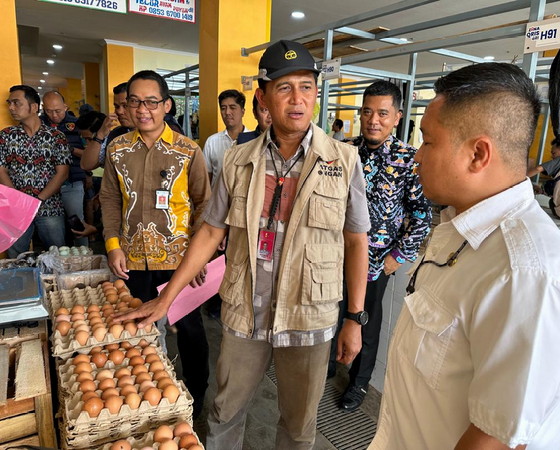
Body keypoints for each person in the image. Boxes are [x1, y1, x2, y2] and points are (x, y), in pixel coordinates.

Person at [114, 40, 370, 449]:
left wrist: (355, 318)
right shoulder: (238, 159)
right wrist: (167, 299)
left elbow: (357, 241)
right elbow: (211, 230)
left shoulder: (342, 161)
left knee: (299, 427)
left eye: (306, 87)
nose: (298, 99)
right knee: (223, 413)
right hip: (244, 312)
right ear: (263, 97)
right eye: (285, 89)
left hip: (309, 315)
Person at [369, 63, 560, 449]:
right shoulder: (460, 228)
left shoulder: (527, 275)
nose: (417, 156)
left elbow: (494, 440)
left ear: (477, 154)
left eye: (427, 141)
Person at [99, 70, 212, 417]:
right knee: (136, 328)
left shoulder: (188, 150)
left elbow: (204, 204)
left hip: (180, 260)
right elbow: (110, 199)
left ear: (166, 105)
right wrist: (113, 244)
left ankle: (196, 398)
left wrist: (199, 258)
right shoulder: (118, 149)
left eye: (151, 101)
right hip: (131, 258)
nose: (142, 109)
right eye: (135, 101)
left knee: (191, 332)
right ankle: (145, 400)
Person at [329, 80, 431, 412]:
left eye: (383, 113)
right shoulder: (343, 151)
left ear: (397, 117)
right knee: (331, 312)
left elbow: (422, 216)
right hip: (335, 257)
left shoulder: (409, 160)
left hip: (376, 262)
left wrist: (395, 259)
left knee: (366, 323)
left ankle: (358, 384)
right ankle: (329, 364)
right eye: (368, 112)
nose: (374, 120)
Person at [0, 85, 71, 257]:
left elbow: (62, 173)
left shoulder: (56, 137)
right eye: (10, 103)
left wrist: (37, 201)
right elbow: (1, 170)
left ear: (33, 107)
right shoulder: (7, 135)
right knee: (17, 257)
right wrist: (19, 201)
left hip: (49, 207)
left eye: (16, 103)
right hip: (16, 209)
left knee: (58, 254)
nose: (11, 107)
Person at [41, 91, 88, 246]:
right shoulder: (39, 125)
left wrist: (68, 149)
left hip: (72, 182)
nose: (54, 115)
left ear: (65, 107)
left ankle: (85, 257)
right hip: (46, 185)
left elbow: (89, 155)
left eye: (58, 111)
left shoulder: (77, 125)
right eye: (48, 111)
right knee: (53, 226)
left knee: (77, 223)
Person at [80, 82, 134, 171]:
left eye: (125, 106)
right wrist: (100, 134)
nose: (119, 111)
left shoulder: (157, 134)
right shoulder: (115, 136)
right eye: (117, 106)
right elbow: (86, 165)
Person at [203, 89, 249, 187]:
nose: (227, 112)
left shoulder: (254, 140)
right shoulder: (212, 141)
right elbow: (207, 177)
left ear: (242, 111)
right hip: (218, 200)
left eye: (232, 107)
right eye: (223, 108)